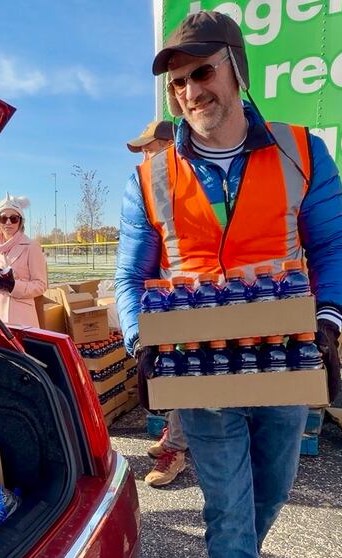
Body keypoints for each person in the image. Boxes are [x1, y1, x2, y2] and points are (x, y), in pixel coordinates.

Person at [115, 10, 342, 558]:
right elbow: (130, 275)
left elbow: (334, 244)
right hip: (201, 371)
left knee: (267, 497)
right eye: (177, 84)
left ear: (236, 69)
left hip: (284, 360)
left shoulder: (301, 151)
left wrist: (331, 318)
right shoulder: (151, 176)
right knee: (228, 511)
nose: (190, 92)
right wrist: (139, 338)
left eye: (202, 73)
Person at [126, 120, 191, 488]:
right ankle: (175, 435)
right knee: (168, 371)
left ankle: (177, 451)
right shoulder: (153, 189)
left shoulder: (185, 186)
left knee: (182, 373)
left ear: (168, 145)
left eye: (150, 149)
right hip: (166, 302)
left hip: (191, 303)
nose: (146, 156)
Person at [0, 194, 48, 328]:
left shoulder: (32, 247)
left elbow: (41, 285)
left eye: (13, 218)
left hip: (22, 319)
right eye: (3, 218)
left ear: (20, 221)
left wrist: (13, 286)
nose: (8, 222)